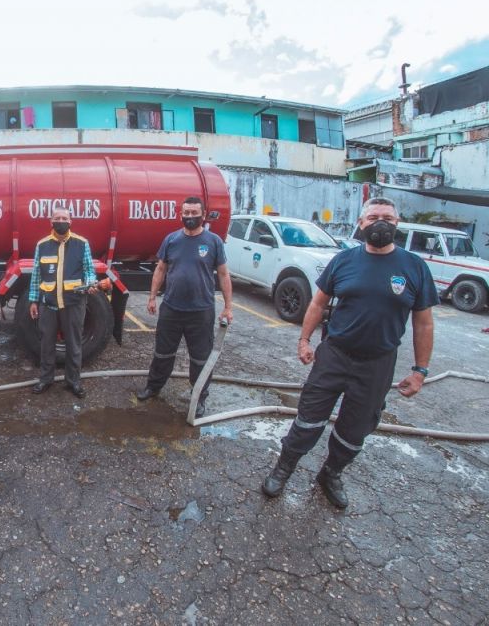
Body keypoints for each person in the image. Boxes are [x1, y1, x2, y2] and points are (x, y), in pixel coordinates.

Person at [261, 197, 437, 509]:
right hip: (335, 355)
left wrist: (420, 370)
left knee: (356, 429)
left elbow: (423, 323)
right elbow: (317, 303)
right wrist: (304, 340)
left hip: (377, 364)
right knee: (308, 419)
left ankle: (331, 473)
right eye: (373, 217)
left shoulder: (414, 267)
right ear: (361, 223)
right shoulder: (344, 261)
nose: (380, 222)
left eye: (387, 217)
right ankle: (284, 467)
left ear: (397, 223)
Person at [137, 196, 233, 418]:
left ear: (203, 214)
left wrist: (228, 307)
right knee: (162, 353)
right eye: (186, 213)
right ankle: (153, 387)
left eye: (194, 213)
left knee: (200, 357)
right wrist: (152, 297)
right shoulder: (171, 240)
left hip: (201, 311)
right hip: (172, 308)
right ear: (181, 214)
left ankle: (199, 396)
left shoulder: (213, 241)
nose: (190, 217)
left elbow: (223, 274)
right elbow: (160, 269)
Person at [28, 206, 100, 399]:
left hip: (74, 303)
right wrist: (33, 301)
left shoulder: (81, 243)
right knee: (47, 343)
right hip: (48, 303)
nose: (61, 221)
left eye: (64, 218)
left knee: (74, 344)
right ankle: (45, 379)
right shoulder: (42, 245)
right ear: (51, 222)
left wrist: (91, 283)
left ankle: (73, 381)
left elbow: (89, 270)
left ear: (70, 221)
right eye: (57, 218)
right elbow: (36, 275)